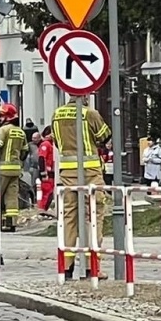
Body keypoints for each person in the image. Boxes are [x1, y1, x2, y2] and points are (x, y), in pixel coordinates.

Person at [52, 101, 111, 268]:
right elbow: (105, 136)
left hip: (67, 172)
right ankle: (92, 265)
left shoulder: (57, 114)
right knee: (93, 214)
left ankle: (66, 265)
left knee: (69, 216)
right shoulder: (89, 113)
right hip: (90, 171)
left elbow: (56, 142)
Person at [0, 103, 28, 232]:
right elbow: (25, 151)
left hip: (2, 168)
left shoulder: (3, 130)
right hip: (16, 169)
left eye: (1, 116)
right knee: (12, 197)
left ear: (6, 117)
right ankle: (11, 223)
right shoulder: (21, 132)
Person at [36, 126, 56, 217]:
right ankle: (42, 210)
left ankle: (44, 210)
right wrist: (43, 173)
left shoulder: (51, 144)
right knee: (47, 192)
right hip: (46, 173)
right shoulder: (46, 144)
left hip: (50, 172)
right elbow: (41, 158)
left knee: (49, 192)